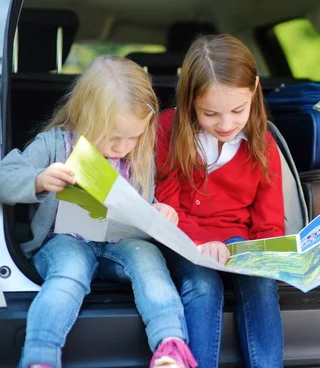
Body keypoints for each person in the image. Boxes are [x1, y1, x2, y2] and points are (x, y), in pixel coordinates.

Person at [0, 56, 197, 368]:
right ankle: (39, 359)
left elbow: (150, 200)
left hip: (120, 243)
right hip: (66, 240)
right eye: (113, 136)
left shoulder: (140, 154)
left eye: (133, 137)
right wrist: (38, 180)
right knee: (69, 274)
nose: (122, 146)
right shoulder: (54, 144)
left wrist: (159, 209)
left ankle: (171, 347)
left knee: (150, 265)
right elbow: (4, 175)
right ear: (85, 115)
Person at [155, 34, 285, 367]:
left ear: (255, 89)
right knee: (202, 284)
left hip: (238, 241)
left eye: (238, 110)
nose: (226, 124)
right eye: (210, 113)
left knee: (261, 284)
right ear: (190, 101)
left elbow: (269, 222)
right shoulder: (169, 130)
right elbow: (167, 205)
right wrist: (202, 242)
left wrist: (272, 258)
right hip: (183, 240)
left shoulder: (264, 144)